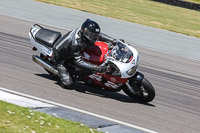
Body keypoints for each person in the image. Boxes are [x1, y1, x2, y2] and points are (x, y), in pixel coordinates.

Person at [52, 19, 117, 89]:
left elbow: (99, 36)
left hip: (75, 50)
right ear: (84, 31)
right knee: (68, 84)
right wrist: (94, 67)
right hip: (62, 58)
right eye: (92, 35)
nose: (94, 37)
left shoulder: (84, 32)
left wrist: (113, 40)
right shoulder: (75, 43)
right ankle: (66, 73)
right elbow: (78, 62)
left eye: (94, 35)